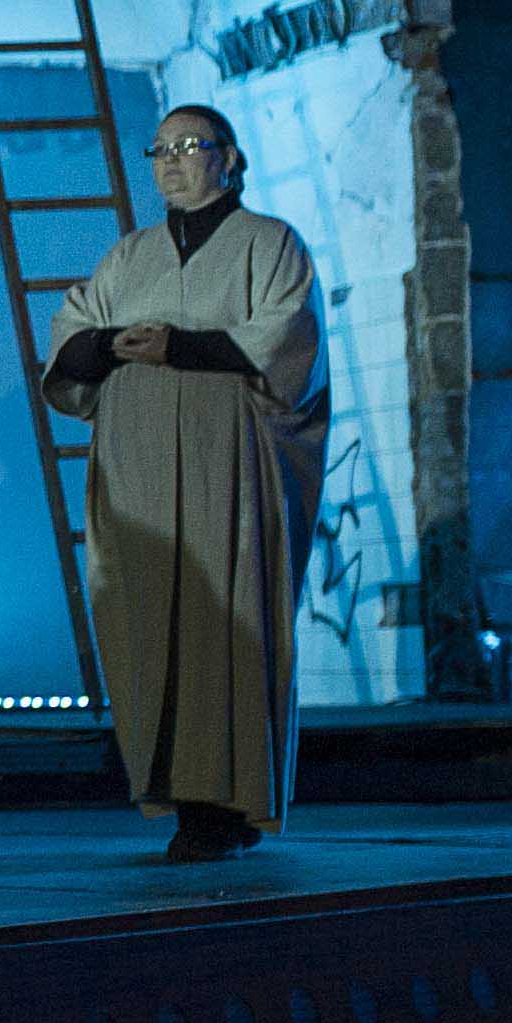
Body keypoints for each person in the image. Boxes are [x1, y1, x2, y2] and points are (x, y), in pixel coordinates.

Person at [42, 104, 326, 862]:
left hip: (219, 459)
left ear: (229, 159)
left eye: (190, 146)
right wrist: (110, 343)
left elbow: (287, 339)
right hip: (136, 461)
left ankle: (225, 801)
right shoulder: (129, 256)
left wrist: (179, 346)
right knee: (147, 618)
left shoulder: (270, 244)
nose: (171, 160)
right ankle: (174, 787)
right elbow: (70, 340)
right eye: (160, 149)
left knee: (221, 617)